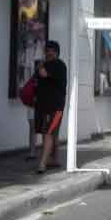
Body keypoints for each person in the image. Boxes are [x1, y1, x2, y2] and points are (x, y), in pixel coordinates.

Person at [35, 41, 67, 174]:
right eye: (47, 50)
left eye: (52, 50)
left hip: (56, 108)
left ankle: (42, 163)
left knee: (48, 133)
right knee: (51, 134)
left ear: (56, 52)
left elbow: (45, 76)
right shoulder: (46, 65)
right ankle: (54, 159)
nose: (49, 52)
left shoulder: (59, 65)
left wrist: (42, 68)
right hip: (44, 106)